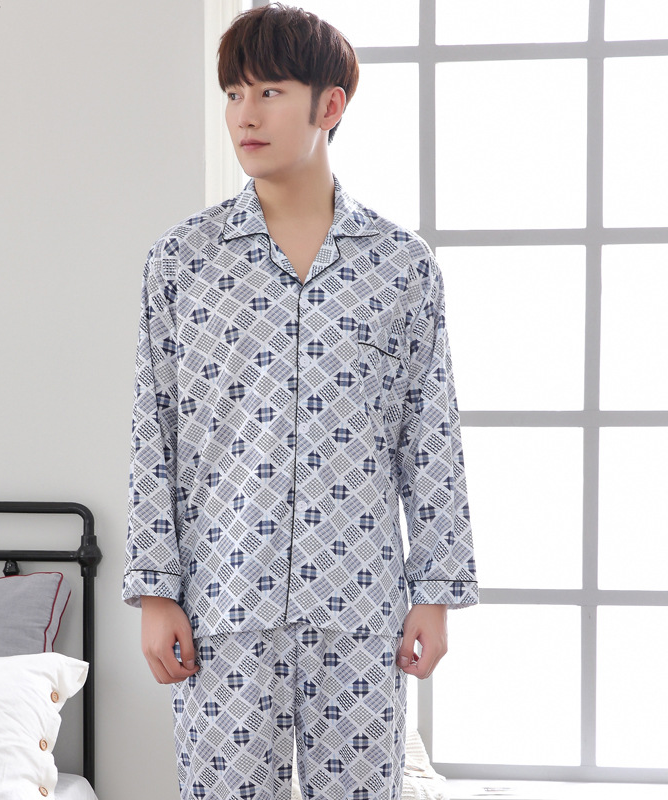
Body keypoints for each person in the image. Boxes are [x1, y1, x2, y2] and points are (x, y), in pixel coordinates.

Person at [123, 4, 479, 799]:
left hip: (360, 606)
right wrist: (155, 592)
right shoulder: (182, 262)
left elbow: (430, 435)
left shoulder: (402, 266)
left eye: (269, 92)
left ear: (330, 105)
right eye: (233, 93)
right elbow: (156, 432)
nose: (244, 115)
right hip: (222, 603)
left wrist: (436, 594)